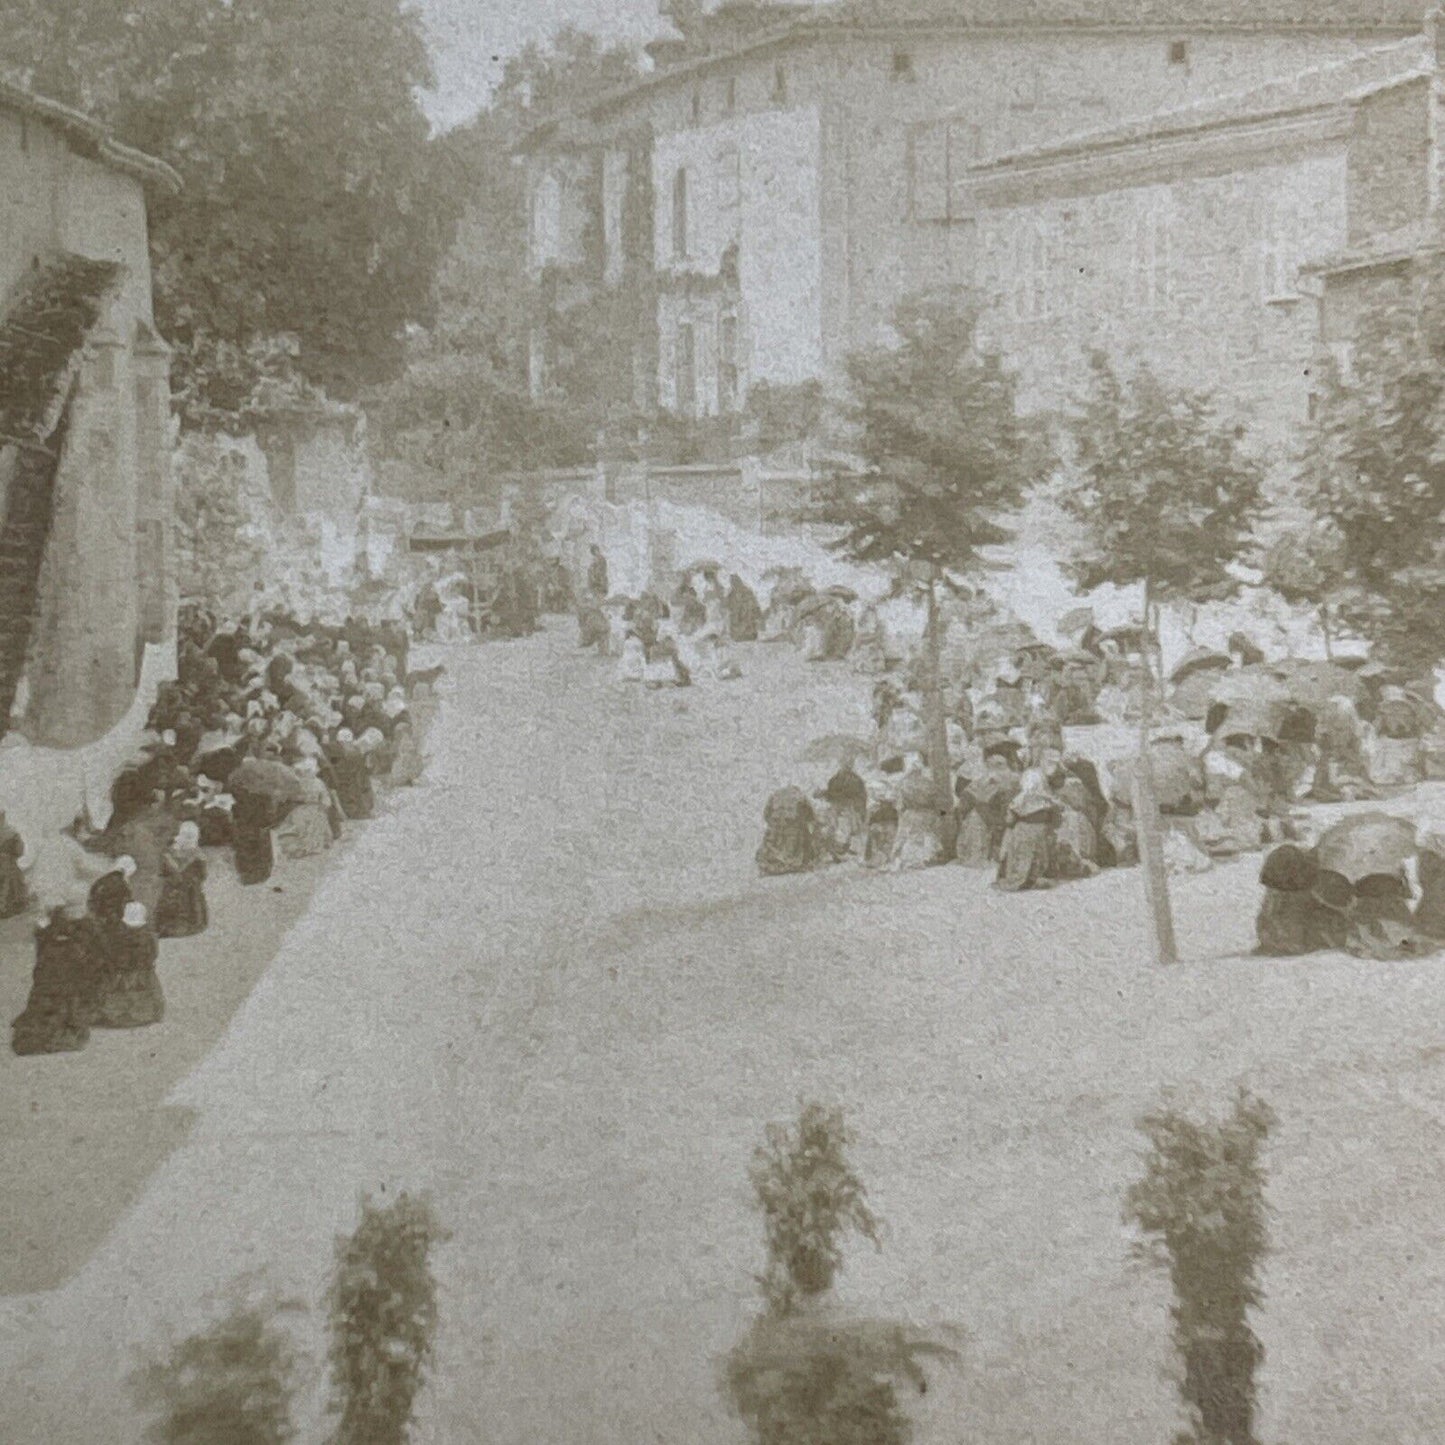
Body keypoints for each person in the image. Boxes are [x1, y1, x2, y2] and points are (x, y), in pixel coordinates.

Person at [11, 905, 92, 1054]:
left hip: (44, 994)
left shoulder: (46, 947)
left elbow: (40, 936)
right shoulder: (75, 948)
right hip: (65, 997)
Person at [90, 900, 164, 1030]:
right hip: (143, 975)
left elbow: (111, 956)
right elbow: (153, 954)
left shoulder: (116, 936)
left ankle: (117, 1013)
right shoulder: (149, 935)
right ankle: (147, 1012)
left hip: (119, 977)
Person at [156, 821, 209, 939]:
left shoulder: (170, 853)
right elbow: (203, 875)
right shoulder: (197, 856)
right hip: (187, 891)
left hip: (177, 890)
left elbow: (162, 871)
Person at [276, 757, 334, 859]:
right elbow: (325, 798)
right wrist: (324, 806)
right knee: (313, 826)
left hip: (302, 809)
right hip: (315, 809)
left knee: (299, 827)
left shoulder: (299, 782)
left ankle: (302, 847)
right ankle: (312, 845)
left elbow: (290, 796)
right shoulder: (318, 782)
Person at [757, 787, 819, 876]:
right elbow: (811, 816)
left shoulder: (775, 795)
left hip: (777, 824)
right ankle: (791, 862)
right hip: (792, 823)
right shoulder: (800, 796)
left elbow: (766, 815)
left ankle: (776, 861)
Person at [814, 763, 868, 861]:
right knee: (836, 824)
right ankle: (838, 848)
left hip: (848, 809)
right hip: (846, 809)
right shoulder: (850, 780)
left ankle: (839, 848)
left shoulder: (849, 781)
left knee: (842, 825)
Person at [0, 810, 28, 918]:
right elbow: (19, 851)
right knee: (13, 882)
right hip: (8, 863)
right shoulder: (12, 832)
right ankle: (7, 908)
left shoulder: (12, 833)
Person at [726, 574, 762, 643]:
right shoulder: (732, 594)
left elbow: (756, 610)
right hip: (738, 622)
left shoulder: (748, 593)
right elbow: (728, 607)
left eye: (735, 582)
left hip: (748, 623)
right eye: (732, 582)